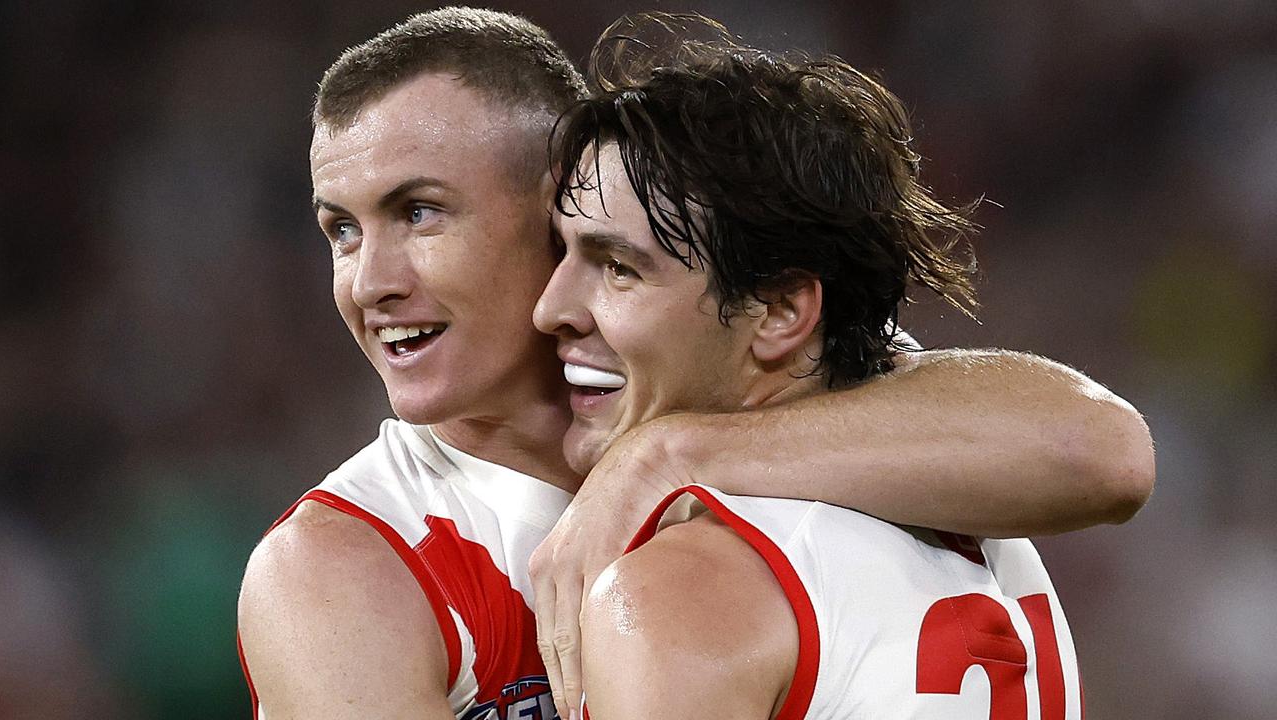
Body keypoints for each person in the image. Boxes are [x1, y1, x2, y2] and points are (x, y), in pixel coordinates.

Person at [236, 8, 1152, 720]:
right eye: (341, 230)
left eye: (421, 213)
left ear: (560, 204)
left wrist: (668, 455)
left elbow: (1103, 450)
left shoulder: (769, 402)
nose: (370, 282)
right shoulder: (342, 567)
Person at [534, 15, 1088, 719]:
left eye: (617, 269)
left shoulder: (676, 596)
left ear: (780, 310)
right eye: (563, 254)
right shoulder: (977, 513)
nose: (551, 309)